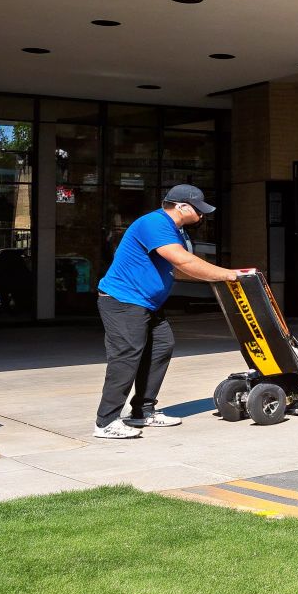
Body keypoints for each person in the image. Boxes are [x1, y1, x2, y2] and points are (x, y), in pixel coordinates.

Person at [92, 185, 239, 440]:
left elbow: (181, 269)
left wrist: (215, 279)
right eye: (199, 209)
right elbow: (183, 261)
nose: (203, 215)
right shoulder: (154, 223)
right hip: (123, 301)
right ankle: (106, 421)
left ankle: (143, 411)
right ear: (181, 206)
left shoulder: (176, 231)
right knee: (126, 357)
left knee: (161, 345)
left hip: (147, 304)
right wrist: (228, 275)